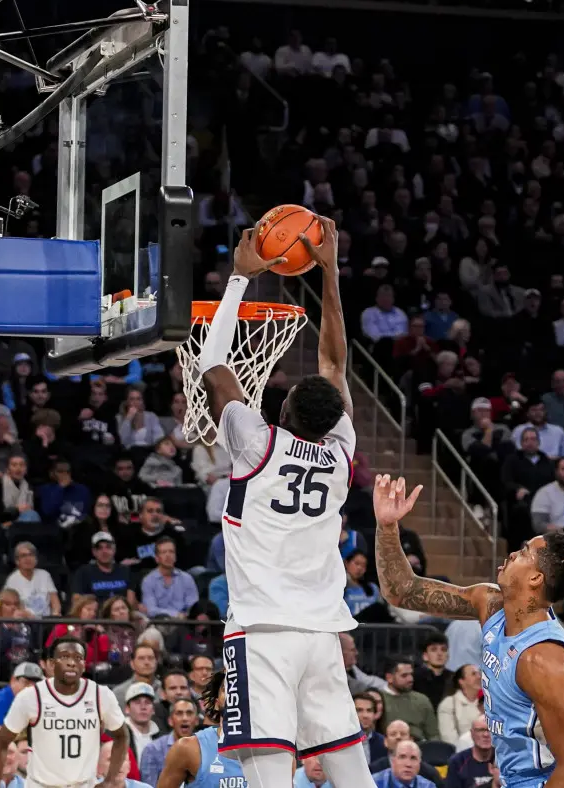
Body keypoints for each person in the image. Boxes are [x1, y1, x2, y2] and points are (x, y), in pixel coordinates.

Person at [196, 221, 370, 788]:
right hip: (322, 636)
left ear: (286, 409)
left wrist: (239, 281)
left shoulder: (255, 442)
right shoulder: (342, 456)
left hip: (261, 633)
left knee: (270, 780)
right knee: (351, 774)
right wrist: (329, 271)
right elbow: (335, 367)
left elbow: (213, 366)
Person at [374, 475, 564, 788]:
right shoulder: (489, 604)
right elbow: (402, 591)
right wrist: (388, 526)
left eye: (526, 552)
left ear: (535, 580)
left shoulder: (544, 660)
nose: (514, 554)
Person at [0, 638, 129, 788]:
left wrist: (110, 780)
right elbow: (1, 743)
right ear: (51, 664)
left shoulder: (101, 695)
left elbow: (122, 735)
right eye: (64, 656)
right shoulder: (30, 697)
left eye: (78, 658)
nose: (71, 662)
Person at [154, 672, 246, 788]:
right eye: (227, 688)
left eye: (241, 688)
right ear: (216, 703)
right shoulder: (188, 748)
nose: (234, 693)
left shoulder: (272, 748)